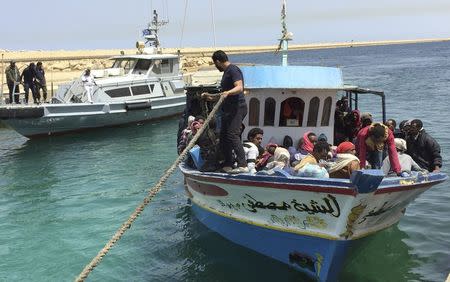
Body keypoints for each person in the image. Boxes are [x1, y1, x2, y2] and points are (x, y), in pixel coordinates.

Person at [201, 50, 248, 174]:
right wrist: (211, 97)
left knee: (232, 135)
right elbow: (224, 94)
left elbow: (239, 87)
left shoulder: (233, 70)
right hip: (228, 109)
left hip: (237, 108)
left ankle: (243, 164)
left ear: (217, 61)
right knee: (223, 137)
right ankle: (228, 163)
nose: (215, 66)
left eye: (214, 64)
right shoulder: (226, 72)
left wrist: (228, 92)